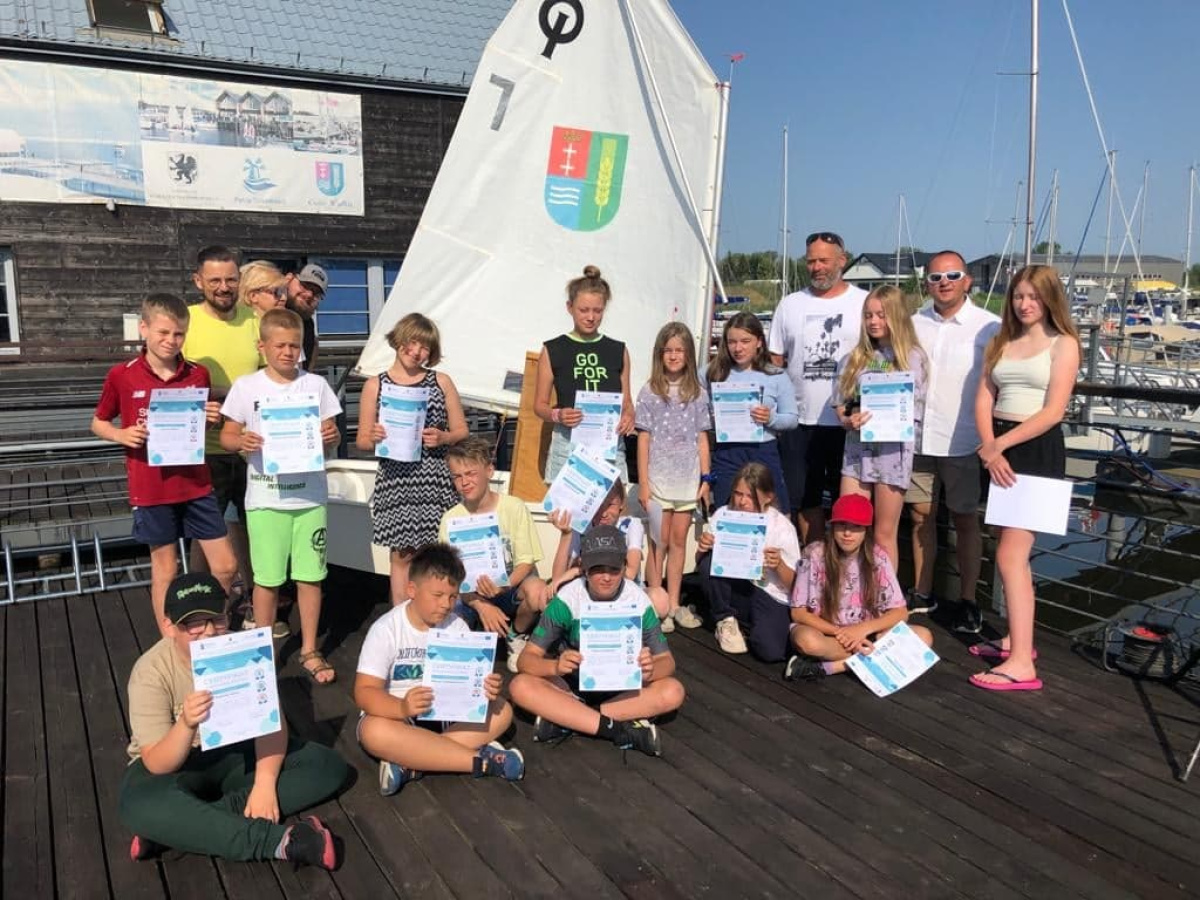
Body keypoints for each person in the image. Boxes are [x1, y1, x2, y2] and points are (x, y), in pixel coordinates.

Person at [118, 573, 349, 868]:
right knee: (137, 803)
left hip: (234, 754)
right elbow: (156, 763)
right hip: (175, 766)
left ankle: (178, 829)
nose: (209, 632)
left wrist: (264, 784)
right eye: (194, 623)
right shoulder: (150, 671)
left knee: (327, 766)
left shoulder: (244, 649)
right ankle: (284, 842)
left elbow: (271, 725)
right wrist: (186, 724)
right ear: (169, 626)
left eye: (217, 619)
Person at [91, 293, 236, 632]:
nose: (171, 340)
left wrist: (209, 419)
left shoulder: (198, 374)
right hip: (151, 487)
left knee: (226, 567)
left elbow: (195, 428)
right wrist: (121, 434)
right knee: (166, 570)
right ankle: (171, 640)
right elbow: (98, 422)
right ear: (143, 329)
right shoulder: (122, 375)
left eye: (179, 334)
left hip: (196, 484)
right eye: (163, 332)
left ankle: (210, 626)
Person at [970, 265, 1080, 692]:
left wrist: (999, 445)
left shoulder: (1063, 343)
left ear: (1049, 299)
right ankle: (1017, 640)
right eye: (1018, 295)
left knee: (1011, 556)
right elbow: (985, 397)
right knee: (1008, 549)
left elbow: (1053, 412)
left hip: (1035, 450)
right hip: (998, 448)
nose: (1024, 304)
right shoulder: (1001, 341)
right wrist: (990, 444)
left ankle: (1020, 664)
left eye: (1033, 296)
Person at [220, 309, 343, 684]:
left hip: (310, 499)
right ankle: (263, 651)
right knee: (267, 580)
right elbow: (226, 436)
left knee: (310, 578)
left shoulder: (315, 385)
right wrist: (241, 440)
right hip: (266, 499)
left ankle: (309, 649)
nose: (289, 352)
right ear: (263, 346)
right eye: (281, 346)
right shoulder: (246, 387)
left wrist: (331, 436)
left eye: (295, 345)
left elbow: (332, 433)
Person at [354, 544, 525, 796]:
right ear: (412, 590)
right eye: (437, 595)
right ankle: (481, 762)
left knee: (502, 709)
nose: (446, 604)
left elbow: (471, 686)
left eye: (453, 597)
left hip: (446, 716)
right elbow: (364, 692)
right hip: (398, 718)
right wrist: (402, 707)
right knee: (373, 731)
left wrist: (485, 689)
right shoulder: (386, 629)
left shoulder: (457, 626)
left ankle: (411, 763)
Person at [509, 525, 685, 756]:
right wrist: (555, 666)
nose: (606, 577)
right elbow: (525, 660)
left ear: (625, 566)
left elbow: (667, 661)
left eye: (614, 569)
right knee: (519, 686)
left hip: (623, 686)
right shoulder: (567, 599)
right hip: (572, 686)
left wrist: (650, 669)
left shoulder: (638, 600)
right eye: (597, 569)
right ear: (583, 567)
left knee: (673, 691)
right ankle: (618, 728)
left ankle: (571, 719)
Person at [904, 251, 1000, 631]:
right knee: (920, 517)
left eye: (952, 275)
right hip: (917, 439)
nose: (943, 282)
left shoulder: (989, 326)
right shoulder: (912, 324)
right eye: (935, 277)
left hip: (964, 441)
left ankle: (968, 600)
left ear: (967, 281)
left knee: (965, 520)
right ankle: (922, 592)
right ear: (926, 283)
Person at [357, 313, 468, 606]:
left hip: (434, 478)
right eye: (413, 343)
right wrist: (374, 437)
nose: (417, 351)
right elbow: (361, 441)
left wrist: (443, 437)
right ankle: (401, 617)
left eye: (425, 347)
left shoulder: (441, 381)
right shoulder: (375, 385)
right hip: (396, 479)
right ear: (399, 340)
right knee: (402, 555)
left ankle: (438, 612)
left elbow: (462, 430)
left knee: (438, 553)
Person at [768, 232, 866, 544]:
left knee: (846, 502)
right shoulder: (789, 304)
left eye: (824, 260)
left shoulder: (864, 303)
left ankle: (843, 565)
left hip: (848, 423)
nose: (817, 267)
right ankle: (813, 558)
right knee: (804, 498)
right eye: (811, 261)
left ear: (842, 260)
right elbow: (774, 361)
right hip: (799, 422)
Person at [182, 245, 259, 618]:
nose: (224, 287)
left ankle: (257, 604)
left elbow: (275, 377)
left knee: (254, 527)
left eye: (230, 279)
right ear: (198, 281)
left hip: (252, 447)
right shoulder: (185, 321)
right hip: (203, 448)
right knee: (205, 532)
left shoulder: (256, 321)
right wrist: (219, 397)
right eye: (214, 280)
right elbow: (169, 381)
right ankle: (201, 613)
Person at [784, 494, 933, 681]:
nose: (847, 533)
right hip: (828, 632)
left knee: (924, 637)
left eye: (856, 527)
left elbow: (900, 612)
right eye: (842, 525)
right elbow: (798, 613)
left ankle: (830, 667)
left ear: (866, 530)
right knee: (806, 641)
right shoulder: (814, 554)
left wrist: (862, 630)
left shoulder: (878, 558)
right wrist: (841, 633)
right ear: (832, 526)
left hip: (868, 633)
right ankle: (874, 659)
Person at [439, 436, 550, 673]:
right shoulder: (450, 519)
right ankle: (463, 647)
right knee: (445, 606)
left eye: (471, 473)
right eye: (457, 476)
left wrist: (503, 586)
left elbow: (526, 561)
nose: (464, 482)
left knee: (537, 590)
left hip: (510, 588)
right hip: (470, 596)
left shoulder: (514, 507)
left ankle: (516, 635)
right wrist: (481, 605)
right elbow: (451, 579)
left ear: (489, 471)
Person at [835, 286, 928, 569]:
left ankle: (885, 593)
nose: (873, 321)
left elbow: (915, 409)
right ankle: (848, 589)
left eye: (881, 315)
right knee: (848, 526)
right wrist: (847, 419)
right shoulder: (854, 358)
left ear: (896, 316)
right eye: (868, 315)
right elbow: (842, 405)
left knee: (883, 534)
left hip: (892, 454)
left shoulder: (913, 357)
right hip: (856, 454)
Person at [634, 322, 710, 632]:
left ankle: (675, 603)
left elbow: (702, 438)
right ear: (660, 354)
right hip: (658, 480)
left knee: (678, 541)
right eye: (668, 350)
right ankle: (657, 602)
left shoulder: (698, 393)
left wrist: (706, 478)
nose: (674, 355)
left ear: (688, 354)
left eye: (680, 350)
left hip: (687, 482)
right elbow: (643, 439)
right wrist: (643, 483)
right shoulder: (649, 391)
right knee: (659, 542)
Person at [534, 265, 634, 483]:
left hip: (608, 444)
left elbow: (627, 403)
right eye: (583, 310)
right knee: (566, 504)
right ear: (569, 307)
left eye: (597, 311)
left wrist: (628, 417)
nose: (590, 317)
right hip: (567, 443)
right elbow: (539, 405)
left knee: (611, 504)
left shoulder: (618, 350)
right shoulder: (552, 349)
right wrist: (558, 415)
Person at [695, 462, 801, 660]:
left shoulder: (782, 527)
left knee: (770, 652)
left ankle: (747, 626)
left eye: (750, 496)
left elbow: (797, 586)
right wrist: (702, 548)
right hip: (736, 587)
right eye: (738, 494)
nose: (742, 501)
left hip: (768, 592)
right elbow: (701, 564)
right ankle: (725, 618)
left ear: (768, 497)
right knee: (708, 561)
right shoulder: (723, 514)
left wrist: (779, 565)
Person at [705, 311, 797, 512]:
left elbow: (792, 419)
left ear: (759, 342)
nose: (738, 348)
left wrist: (770, 418)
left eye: (745, 341)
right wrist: (710, 416)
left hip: (763, 449)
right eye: (732, 342)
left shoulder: (776, 376)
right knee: (726, 510)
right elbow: (691, 399)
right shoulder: (711, 372)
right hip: (727, 452)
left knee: (774, 512)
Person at [546, 479, 670, 621]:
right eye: (597, 506)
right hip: (591, 593)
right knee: (547, 599)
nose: (603, 513)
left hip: (625, 593)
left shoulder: (631, 524)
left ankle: (639, 628)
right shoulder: (580, 528)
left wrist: (576, 571)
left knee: (660, 600)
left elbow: (630, 574)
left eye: (610, 505)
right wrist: (566, 534)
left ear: (621, 503)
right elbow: (557, 579)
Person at [284, 263, 327, 370]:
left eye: (316, 293)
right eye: (305, 285)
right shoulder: (267, 313)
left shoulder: (308, 325)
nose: (309, 294)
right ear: (288, 279)